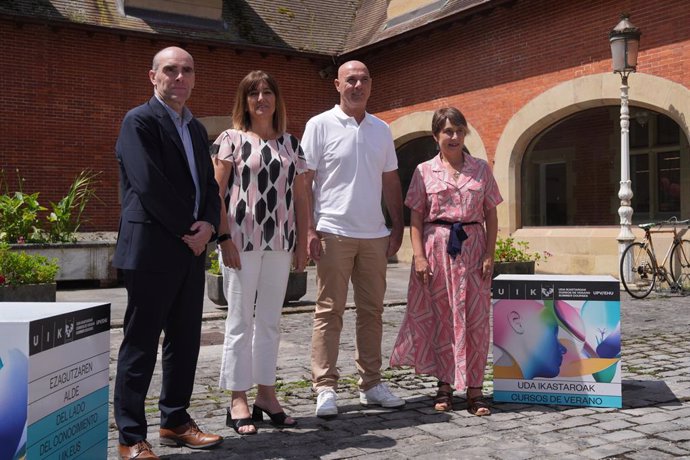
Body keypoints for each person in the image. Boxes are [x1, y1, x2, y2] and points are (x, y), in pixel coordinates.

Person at [113, 47, 223, 459]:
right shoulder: (138, 121)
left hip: (190, 248)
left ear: (194, 79)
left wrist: (209, 226)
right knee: (140, 343)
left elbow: (210, 186)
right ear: (153, 76)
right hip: (152, 249)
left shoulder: (195, 128)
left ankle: (175, 420)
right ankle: (129, 437)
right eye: (170, 70)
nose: (179, 77)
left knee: (184, 339)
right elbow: (148, 184)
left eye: (187, 71)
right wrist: (189, 230)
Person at [301, 60, 405, 418]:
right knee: (329, 311)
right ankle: (325, 386)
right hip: (333, 231)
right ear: (337, 85)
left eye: (362, 80)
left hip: (374, 234)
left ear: (371, 85)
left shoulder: (382, 130)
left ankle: (371, 384)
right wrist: (309, 229)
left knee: (372, 312)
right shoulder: (319, 125)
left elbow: (391, 182)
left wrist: (398, 226)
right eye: (350, 80)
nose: (357, 86)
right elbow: (304, 181)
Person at [212, 70, 308, 435]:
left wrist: (302, 241)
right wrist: (223, 238)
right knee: (239, 321)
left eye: (268, 92)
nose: (262, 98)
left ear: (276, 99)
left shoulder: (290, 144)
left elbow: (301, 197)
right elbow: (215, 194)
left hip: (280, 243)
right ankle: (238, 397)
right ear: (245, 100)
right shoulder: (230, 140)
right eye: (254, 93)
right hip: (240, 243)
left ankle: (266, 395)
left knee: (270, 321)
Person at [389, 107, 502, 416]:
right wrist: (419, 257)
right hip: (436, 251)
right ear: (436, 136)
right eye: (447, 131)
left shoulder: (480, 169)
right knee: (441, 319)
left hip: (473, 250)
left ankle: (476, 390)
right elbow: (416, 216)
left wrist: (490, 253)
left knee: (476, 321)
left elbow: (491, 213)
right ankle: (445, 386)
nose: (454, 137)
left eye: (459, 131)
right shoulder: (423, 171)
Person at [493, 299, 566, 380]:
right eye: (553, 332)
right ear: (518, 324)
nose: (564, 349)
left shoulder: (502, 381)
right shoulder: (504, 380)